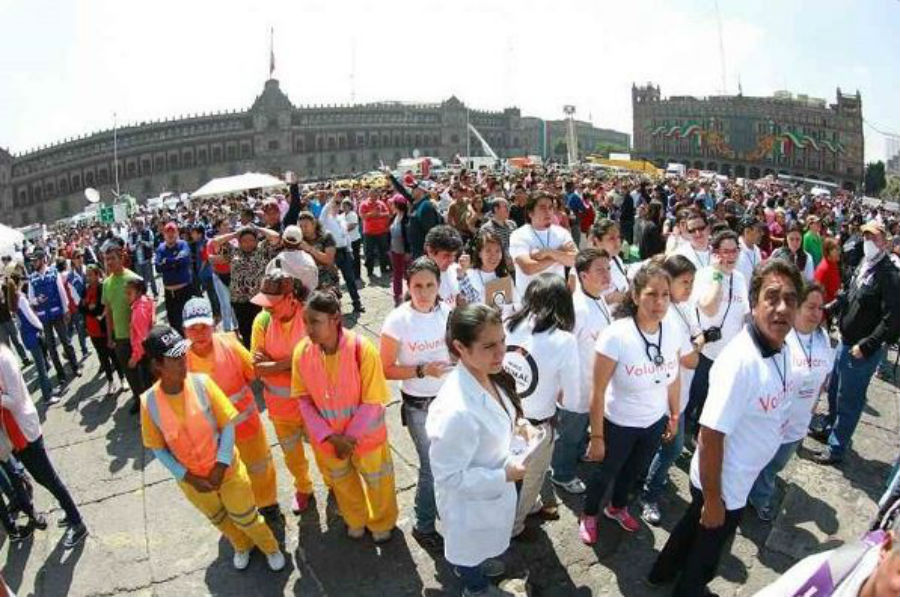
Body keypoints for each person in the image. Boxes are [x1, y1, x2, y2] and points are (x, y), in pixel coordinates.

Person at [648, 259, 803, 597]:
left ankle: (662, 571)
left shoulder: (782, 348)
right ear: (754, 302)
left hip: (737, 478)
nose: (781, 308)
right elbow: (710, 436)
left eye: (790, 299)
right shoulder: (740, 363)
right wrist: (715, 500)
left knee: (693, 525)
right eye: (772, 297)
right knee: (708, 553)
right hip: (724, 483)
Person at [139, 325, 285, 572]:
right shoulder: (148, 402)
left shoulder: (202, 383)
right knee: (220, 520)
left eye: (182, 354)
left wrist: (221, 463)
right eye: (174, 358)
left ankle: (270, 547)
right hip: (194, 482)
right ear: (157, 366)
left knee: (247, 516)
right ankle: (241, 546)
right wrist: (187, 476)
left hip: (226, 471)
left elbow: (227, 424)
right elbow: (158, 448)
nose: (183, 360)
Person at [579, 261, 684, 543]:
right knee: (606, 472)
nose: (659, 301)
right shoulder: (617, 335)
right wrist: (597, 436)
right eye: (651, 294)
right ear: (636, 296)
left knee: (634, 470)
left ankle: (617, 508)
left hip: (653, 421)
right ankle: (589, 514)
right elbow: (598, 390)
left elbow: (673, 378)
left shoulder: (672, 331)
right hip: (619, 423)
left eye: (665, 295)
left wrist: (674, 416)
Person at [426, 304, 527, 597]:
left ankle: (477, 566)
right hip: (469, 507)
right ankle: (476, 587)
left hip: (490, 498)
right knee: (467, 551)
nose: (501, 353)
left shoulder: (488, 372)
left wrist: (517, 426)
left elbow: (494, 418)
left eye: (502, 341)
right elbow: (449, 477)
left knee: (482, 546)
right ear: (460, 347)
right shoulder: (456, 411)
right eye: (489, 346)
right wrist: (503, 476)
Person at [291, 290, 398, 542]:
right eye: (305, 322)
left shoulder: (362, 348)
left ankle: (382, 522)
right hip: (329, 442)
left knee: (378, 482)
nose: (308, 329)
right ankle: (355, 520)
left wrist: (346, 439)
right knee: (343, 484)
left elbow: (373, 400)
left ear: (335, 318)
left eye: (315, 322)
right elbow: (303, 400)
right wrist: (329, 437)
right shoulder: (301, 353)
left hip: (366, 437)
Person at [183, 297, 279, 519]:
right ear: (184, 330)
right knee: (228, 477)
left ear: (214, 324)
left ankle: (268, 503)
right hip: (212, 437)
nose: (199, 333)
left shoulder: (230, 343)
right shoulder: (181, 360)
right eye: (193, 328)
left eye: (204, 326)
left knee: (259, 466)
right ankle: (241, 510)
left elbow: (253, 372)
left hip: (246, 426)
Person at [813, 220, 900, 465]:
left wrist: (868, 345)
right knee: (834, 390)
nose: (868, 242)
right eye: (865, 236)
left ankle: (836, 448)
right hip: (845, 339)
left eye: (874, 238)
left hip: (861, 350)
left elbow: (892, 319)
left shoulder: (889, 275)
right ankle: (830, 428)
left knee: (849, 400)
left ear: (885, 241)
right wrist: (830, 308)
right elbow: (849, 294)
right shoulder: (865, 264)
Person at [380, 257, 452, 549]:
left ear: (438, 285)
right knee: (431, 466)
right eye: (417, 286)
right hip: (419, 404)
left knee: (450, 461)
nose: (424, 292)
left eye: (430, 285)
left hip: (449, 399)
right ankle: (423, 525)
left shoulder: (448, 312)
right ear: (408, 286)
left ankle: (440, 508)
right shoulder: (397, 320)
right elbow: (385, 368)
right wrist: (422, 370)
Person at [749, 281, 835, 521]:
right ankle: (751, 496)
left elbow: (825, 374)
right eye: (811, 307)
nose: (817, 314)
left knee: (776, 464)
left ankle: (758, 495)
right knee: (757, 460)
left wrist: (815, 402)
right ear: (796, 307)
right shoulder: (781, 337)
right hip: (772, 417)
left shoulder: (822, 337)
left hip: (799, 419)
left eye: (821, 308)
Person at [503, 273, 579, 538]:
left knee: (507, 471)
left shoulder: (512, 322)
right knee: (533, 477)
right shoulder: (565, 341)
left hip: (506, 413)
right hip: (537, 424)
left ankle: (523, 508)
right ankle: (514, 526)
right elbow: (571, 396)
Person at [0, 339, 88, 548]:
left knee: (50, 479)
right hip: (16, 434)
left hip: (25, 431)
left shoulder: (4, 360)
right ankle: (70, 514)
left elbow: (17, 400)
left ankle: (78, 523)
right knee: (43, 479)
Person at [640, 254, 704, 525]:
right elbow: (691, 358)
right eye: (684, 282)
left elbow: (698, 332)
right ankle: (648, 496)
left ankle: (649, 477)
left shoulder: (683, 307)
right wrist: (697, 343)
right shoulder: (667, 318)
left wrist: (697, 341)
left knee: (660, 445)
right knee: (672, 449)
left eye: (692, 282)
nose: (689, 288)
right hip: (666, 398)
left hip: (681, 393)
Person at [250, 270, 316, 514]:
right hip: (279, 407)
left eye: (272, 304)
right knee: (292, 455)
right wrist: (291, 362)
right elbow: (256, 369)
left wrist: (274, 365)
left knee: (325, 450)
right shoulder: (262, 321)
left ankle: (335, 485)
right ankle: (303, 488)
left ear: (290, 298)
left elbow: (317, 361)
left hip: (312, 403)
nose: (267, 309)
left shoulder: (310, 316)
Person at [551, 248, 612, 494]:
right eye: (600, 270)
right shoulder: (576, 308)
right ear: (583, 275)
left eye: (608, 269)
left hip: (592, 385)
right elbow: (559, 348)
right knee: (569, 433)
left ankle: (575, 456)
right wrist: (561, 386)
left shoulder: (599, 297)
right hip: (575, 388)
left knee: (579, 430)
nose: (607, 275)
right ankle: (561, 474)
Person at [685, 229, 750, 441]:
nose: (731, 256)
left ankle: (697, 437)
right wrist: (717, 277)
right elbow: (709, 308)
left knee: (712, 401)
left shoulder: (740, 278)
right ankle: (678, 438)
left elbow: (745, 314)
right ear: (716, 253)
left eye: (734, 251)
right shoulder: (705, 275)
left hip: (728, 355)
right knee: (693, 397)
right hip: (705, 351)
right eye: (725, 252)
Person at [210, 225, 282, 348]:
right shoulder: (233, 251)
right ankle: (250, 354)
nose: (248, 243)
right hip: (239, 300)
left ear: (256, 240)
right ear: (239, 242)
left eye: (251, 240)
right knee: (245, 330)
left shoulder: (262, 249)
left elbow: (275, 237)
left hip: (259, 299)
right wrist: (235, 233)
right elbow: (215, 242)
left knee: (262, 328)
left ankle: (264, 351)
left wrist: (257, 229)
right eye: (244, 241)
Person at [101, 240, 144, 412]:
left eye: (112, 258)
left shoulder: (134, 279)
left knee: (143, 371)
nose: (109, 262)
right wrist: (110, 337)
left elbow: (146, 308)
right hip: (120, 337)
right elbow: (108, 312)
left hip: (138, 337)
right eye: (106, 259)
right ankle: (138, 399)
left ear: (121, 258)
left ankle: (151, 401)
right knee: (129, 371)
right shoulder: (107, 284)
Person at [27, 249, 81, 383]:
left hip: (57, 313)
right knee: (51, 347)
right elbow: (30, 299)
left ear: (42, 260)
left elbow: (62, 292)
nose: (34, 263)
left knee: (66, 342)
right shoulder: (32, 278)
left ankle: (75, 367)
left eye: (36, 260)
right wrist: (36, 300)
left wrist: (66, 309)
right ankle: (61, 374)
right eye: (33, 261)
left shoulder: (53, 273)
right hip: (44, 317)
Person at [508, 192, 577, 297]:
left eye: (550, 207)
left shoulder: (562, 233)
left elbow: (575, 260)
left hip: (557, 299)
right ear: (530, 213)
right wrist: (560, 253)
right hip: (530, 301)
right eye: (542, 208)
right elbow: (528, 268)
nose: (548, 211)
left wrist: (549, 252)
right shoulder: (518, 235)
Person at [297, 210, 364, 314]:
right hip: (310, 281)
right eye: (300, 226)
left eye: (306, 226)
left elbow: (328, 259)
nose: (303, 229)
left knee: (331, 310)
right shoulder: (299, 239)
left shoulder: (326, 236)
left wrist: (309, 249)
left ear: (314, 224)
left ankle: (356, 303)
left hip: (327, 279)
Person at [80, 264, 125, 396]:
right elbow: (81, 308)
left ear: (97, 274)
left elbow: (101, 308)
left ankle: (122, 379)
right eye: (87, 275)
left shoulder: (103, 287)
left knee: (113, 355)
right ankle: (110, 381)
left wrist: (90, 309)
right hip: (92, 330)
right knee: (102, 357)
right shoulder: (85, 289)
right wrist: (90, 308)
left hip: (104, 328)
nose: (88, 277)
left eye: (91, 274)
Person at [386, 169, 441, 259]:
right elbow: (403, 191)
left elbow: (431, 230)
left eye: (413, 188)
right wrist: (391, 177)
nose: (410, 190)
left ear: (421, 190)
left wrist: (429, 250)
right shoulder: (416, 203)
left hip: (424, 252)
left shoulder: (426, 206)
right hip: (416, 250)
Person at [155, 222, 194, 334]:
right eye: (168, 233)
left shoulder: (183, 244)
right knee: (174, 324)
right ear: (164, 234)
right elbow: (158, 267)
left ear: (177, 233)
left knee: (188, 321)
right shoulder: (161, 248)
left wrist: (166, 261)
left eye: (173, 232)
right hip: (169, 293)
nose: (170, 235)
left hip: (184, 291)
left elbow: (183, 260)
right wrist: (174, 262)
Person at [459, 229, 514, 309]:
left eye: (497, 251)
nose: (494, 256)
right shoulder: (468, 276)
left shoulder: (505, 275)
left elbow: (511, 305)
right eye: (488, 251)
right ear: (479, 253)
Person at [586, 220, 628, 304]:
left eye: (618, 237)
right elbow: (580, 302)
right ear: (597, 241)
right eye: (611, 238)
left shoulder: (616, 259)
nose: (617, 242)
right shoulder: (586, 267)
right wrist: (607, 300)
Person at [126, 277, 155, 401]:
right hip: (148, 352)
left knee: (148, 385)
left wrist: (135, 357)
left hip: (144, 355)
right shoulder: (145, 300)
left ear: (138, 292)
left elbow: (143, 339)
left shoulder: (138, 311)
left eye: (129, 293)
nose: (126, 296)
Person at [424, 225, 464, 309]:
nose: (451, 260)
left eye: (454, 255)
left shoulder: (455, 269)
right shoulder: (420, 279)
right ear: (430, 251)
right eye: (446, 255)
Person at [207, 217, 236, 333]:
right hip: (219, 276)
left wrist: (223, 259)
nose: (227, 227)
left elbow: (237, 258)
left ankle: (237, 328)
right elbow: (211, 260)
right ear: (218, 227)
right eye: (224, 225)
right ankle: (227, 331)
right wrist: (227, 258)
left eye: (228, 224)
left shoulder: (234, 241)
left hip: (233, 275)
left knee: (234, 303)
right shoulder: (211, 242)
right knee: (225, 305)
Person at [359, 190, 392, 279]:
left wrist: (379, 214)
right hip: (369, 233)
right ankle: (370, 271)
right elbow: (362, 216)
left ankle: (384, 269)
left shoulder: (381, 203)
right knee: (369, 253)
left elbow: (388, 214)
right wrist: (372, 214)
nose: (375, 197)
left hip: (382, 232)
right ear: (369, 195)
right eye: (373, 195)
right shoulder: (364, 204)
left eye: (376, 195)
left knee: (383, 252)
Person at [388, 195, 411, 306]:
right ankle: (397, 295)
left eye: (393, 203)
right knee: (397, 273)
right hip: (394, 250)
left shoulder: (407, 218)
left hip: (404, 251)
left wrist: (407, 251)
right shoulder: (394, 217)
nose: (391, 205)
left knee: (408, 274)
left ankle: (411, 293)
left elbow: (408, 237)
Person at [128, 217, 158, 299]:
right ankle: (144, 295)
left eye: (141, 223)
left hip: (147, 259)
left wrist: (144, 243)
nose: (139, 225)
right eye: (137, 223)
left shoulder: (148, 232)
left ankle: (155, 294)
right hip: (137, 261)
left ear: (144, 224)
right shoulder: (132, 234)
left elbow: (152, 244)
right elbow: (130, 248)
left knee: (151, 278)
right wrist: (136, 245)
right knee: (141, 280)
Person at [736, 216, 765, 293]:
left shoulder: (757, 250)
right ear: (747, 231)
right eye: (758, 231)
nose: (762, 234)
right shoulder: (735, 250)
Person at [814, 237, 842, 304]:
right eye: (836, 250)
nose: (839, 252)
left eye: (839, 249)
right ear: (828, 252)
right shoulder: (823, 269)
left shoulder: (833, 262)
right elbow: (818, 295)